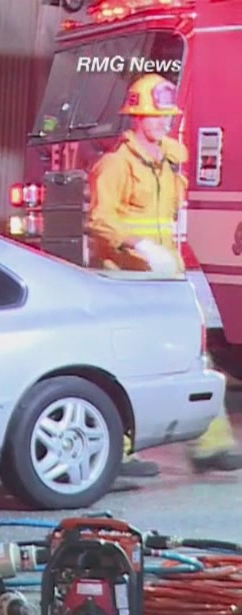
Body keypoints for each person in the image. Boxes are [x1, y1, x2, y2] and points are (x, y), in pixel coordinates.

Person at [85, 73, 242, 476]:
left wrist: (181, 263)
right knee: (127, 364)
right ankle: (115, 453)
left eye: (166, 115)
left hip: (167, 276)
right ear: (136, 117)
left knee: (194, 352)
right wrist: (137, 246)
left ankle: (211, 441)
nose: (163, 122)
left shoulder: (168, 162)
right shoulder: (115, 165)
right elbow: (100, 222)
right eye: (154, 116)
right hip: (127, 280)